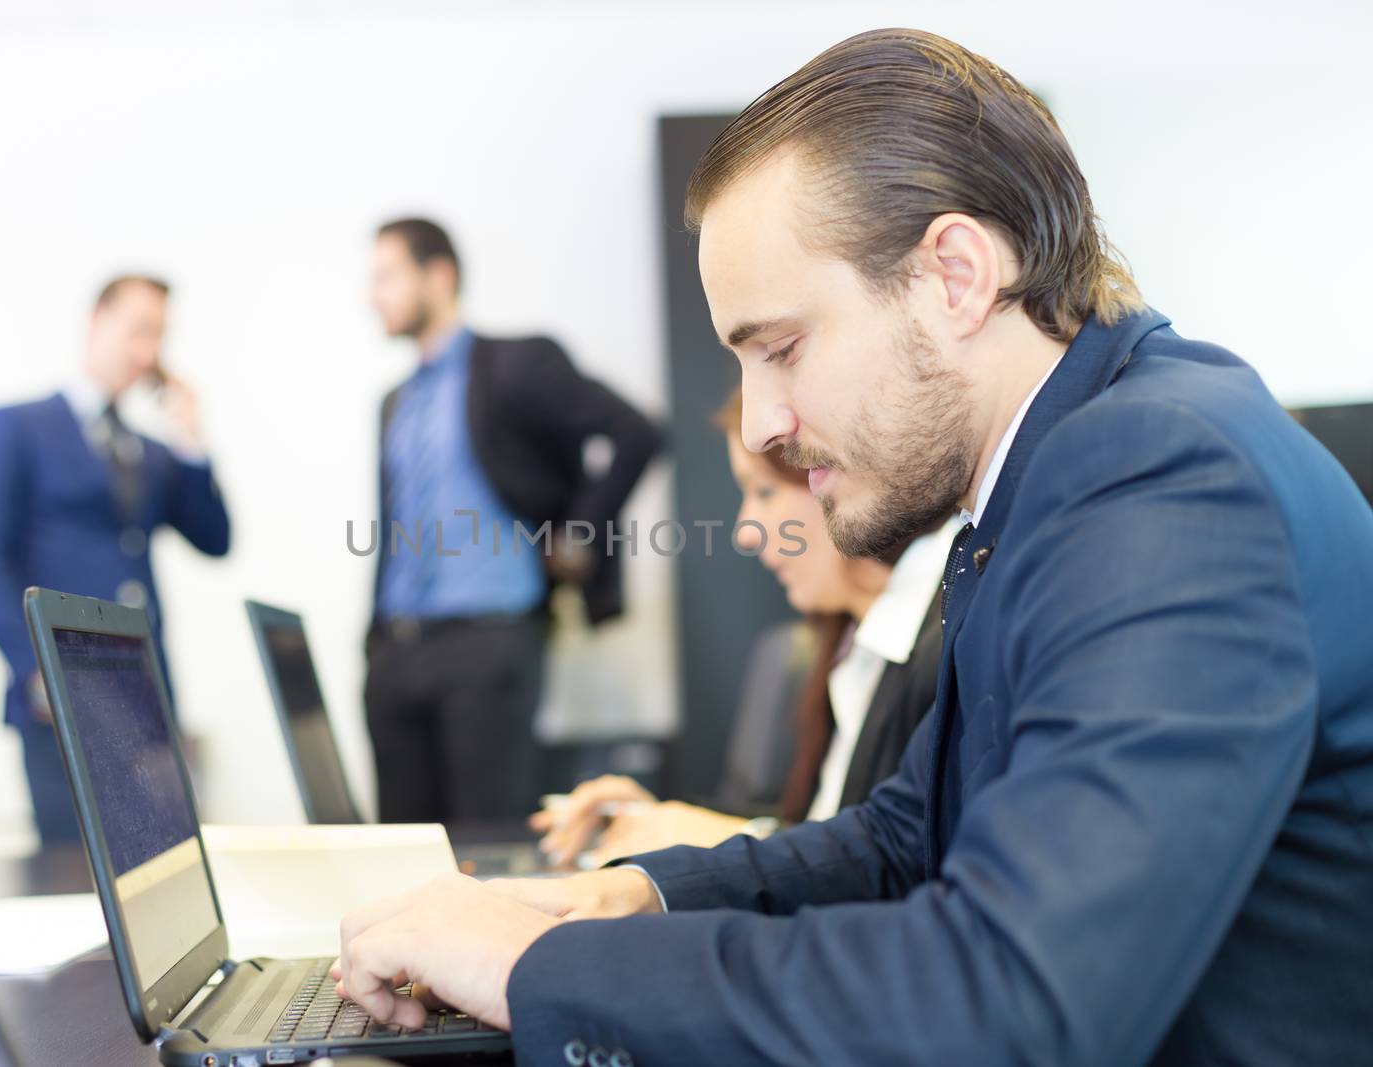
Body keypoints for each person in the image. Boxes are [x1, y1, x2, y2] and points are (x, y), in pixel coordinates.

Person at [330, 29, 1373, 1067]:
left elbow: (1009, 999)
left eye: (780, 349)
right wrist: (629, 894)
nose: (758, 425)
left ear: (954, 276)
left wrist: (530, 967)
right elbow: (901, 836)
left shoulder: (1162, 479)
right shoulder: (1055, 472)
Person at [533, 388, 953, 868]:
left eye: (766, 491)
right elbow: (830, 830)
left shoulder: (946, 644)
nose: (745, 531)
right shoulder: (849, 645)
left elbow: (894, 874)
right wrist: (664, 822)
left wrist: (728, 838)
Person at [365, 218, 662, 826]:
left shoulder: (513, 365)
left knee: (490, 845)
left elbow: (637, 432)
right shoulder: (395, 402)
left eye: (387, 276)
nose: (373, 294)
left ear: (439, 276)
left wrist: (579, 532)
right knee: (403, 850)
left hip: (490, 643)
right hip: (397, 653)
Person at [0, 275, 230, 846]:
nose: (147, 353)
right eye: (138, 331)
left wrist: (190, 441)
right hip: (61, 693)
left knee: (160, 865)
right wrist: (37, 673)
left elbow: (215, 538)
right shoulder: (17, 426)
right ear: (96, 323)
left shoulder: (150, 452)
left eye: (158, 336)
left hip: (144, 694)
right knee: (73, 875)